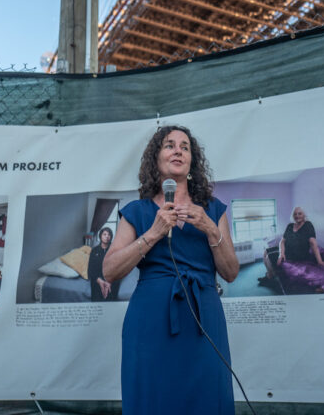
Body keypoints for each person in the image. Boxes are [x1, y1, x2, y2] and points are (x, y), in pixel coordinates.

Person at [103, 125, 240, 415]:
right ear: (156, 159)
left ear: (192, 162)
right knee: (154, 397)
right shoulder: (137, 211)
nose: (178, 150)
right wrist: (153, 233)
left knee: (207, 394)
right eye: (169, 145)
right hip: (151, 321)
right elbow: (110, 271)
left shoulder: (213, 210)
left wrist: (208, 227)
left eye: (185, 146)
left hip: (204, 318)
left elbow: (230, 272)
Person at [259, 206, 324, 285]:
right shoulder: (290, 226)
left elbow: (313, 243)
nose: (297, 216)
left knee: (268, 257)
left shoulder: (308, 225)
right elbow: (282, 241)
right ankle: (270, 275)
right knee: (266, 251)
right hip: (286, 250)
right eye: (295, 214)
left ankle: (271, 276)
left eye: (300, 214)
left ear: (304, 215)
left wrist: (320, 262)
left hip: (298, 255)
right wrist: (281, 253)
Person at [88, 227, 118, 301]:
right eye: (104, 234)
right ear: (100, 236)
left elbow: (117, 267)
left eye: (109, 235)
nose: (107, 236)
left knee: (109, 295)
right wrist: (100, 281)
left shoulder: (114, 250)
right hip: (97, 277)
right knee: (97, 297)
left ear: (111, 237)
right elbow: (90, 268)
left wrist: (109, 282)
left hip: (111, 278)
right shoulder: (94, 250)